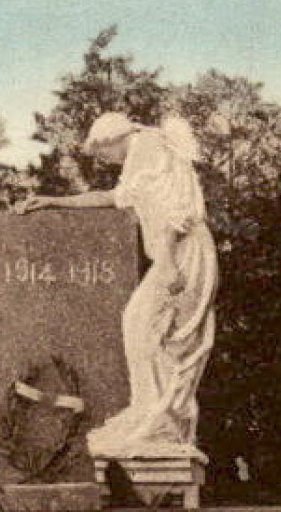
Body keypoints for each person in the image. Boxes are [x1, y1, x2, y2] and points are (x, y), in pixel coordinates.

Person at [15, 112, 217, 458]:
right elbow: (113, 197)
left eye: (101, 152)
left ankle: (158, 420)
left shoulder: (148, 146)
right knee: (148, 329)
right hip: (178, 253)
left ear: (113, 137)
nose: (101, 160)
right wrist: (54, 200)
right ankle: (156, 416)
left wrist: (167, 263)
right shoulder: (142, 156)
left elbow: (172, 208)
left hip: (182, 253)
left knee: (144, 325)